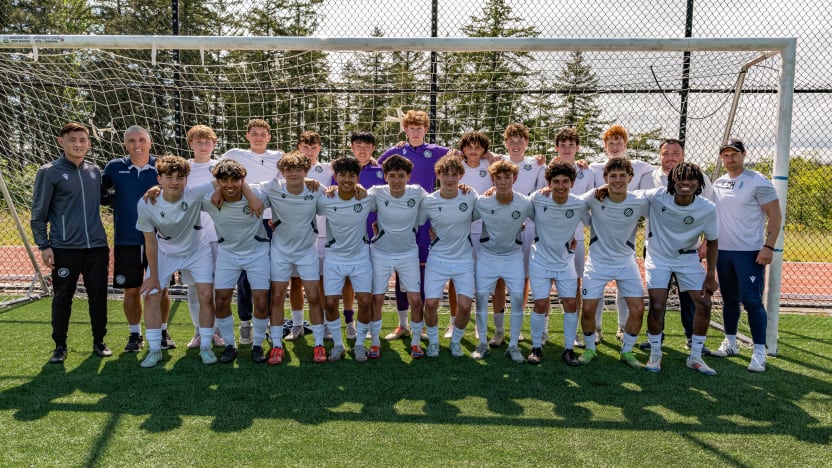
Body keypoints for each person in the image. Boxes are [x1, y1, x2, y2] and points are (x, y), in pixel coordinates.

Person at [32, 122, 111, 363]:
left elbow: (107, 199)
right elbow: (38, 213)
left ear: (88, 143)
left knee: (98, 295)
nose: (78, 144)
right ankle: (60, 345)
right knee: (62, 297)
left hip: (97, 246)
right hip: (64, 248)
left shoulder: (95, 171)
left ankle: (99, 341)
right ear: (61, 142)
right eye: (72, 140)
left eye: (82, 140)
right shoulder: (49, 171)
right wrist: (44, 245)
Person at [135, 155, 218, 367]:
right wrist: (153, 276)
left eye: (180, 177)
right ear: (159, 179)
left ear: (187, 179)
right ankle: (154, 351)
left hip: (197, 250)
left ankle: (206, 347)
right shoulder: (146, 203)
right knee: (152, 295)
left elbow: (226, 179)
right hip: (164, 251)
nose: (175, 181)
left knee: (207, 296)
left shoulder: (195, 194)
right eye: (169, 177)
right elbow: (150, 242)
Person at [710, 138, 782, 372]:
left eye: (734, 154)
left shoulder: (757, 181)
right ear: (722, 157)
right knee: (729, 300)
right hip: (723, 252)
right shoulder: (718, 182)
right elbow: (713, 217)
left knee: (751, 301)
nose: (730, 159)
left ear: (743, 155)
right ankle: (731, 342)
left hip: (749, 253)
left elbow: (775, 215)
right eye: (726, 155)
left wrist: (768, 246)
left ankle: (760, 351)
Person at [640, 162, 719, 375]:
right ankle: (655, 354)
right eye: (680, 178)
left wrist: (710, 274)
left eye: (691, 178)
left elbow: (712, 241)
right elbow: (625, 195)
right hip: (658, 257)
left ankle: (695, 356)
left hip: (688, 258)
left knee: (703, 303)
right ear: (672, 181)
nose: (686, 182)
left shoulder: (707, 208)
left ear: (699, 183)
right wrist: (602, 190)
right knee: (657, 304)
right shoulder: (656, 196)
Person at [378, 110, 451, 340]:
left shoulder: (439, 152)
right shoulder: (395, 152)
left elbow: (467, 158)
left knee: (426, 269)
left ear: (426, 129)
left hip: (428, 218)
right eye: (411, 128)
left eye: (420, 127)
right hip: (400, 219)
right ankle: (402, 324)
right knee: (401, 267)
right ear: (405, 129)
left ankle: (429, 324)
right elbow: (372, 165)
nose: (416, 131)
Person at [102, 125, 173, 353]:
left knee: (162, 289)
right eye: (132, 141)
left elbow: (177, 192)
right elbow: (102, 195)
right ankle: (135, 334)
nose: (137, 145)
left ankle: (163, 331)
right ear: (125, 144)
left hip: (160, 240)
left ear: (150, 142)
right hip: (127, 240)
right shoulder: (114, 167)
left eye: (141, 140)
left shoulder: (162, 166)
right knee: (131, 290)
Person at [578, 158, 649, 368]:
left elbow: (665, 203)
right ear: (605, 178)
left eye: (622, 176)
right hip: (597, 262)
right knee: (589, 309)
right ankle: (591, 348)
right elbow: (570, 201)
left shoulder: (640, 200)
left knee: (637, 308)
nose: (617, 180)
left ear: (630, 178)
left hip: (626, 262)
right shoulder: (594, 197)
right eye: (612, 176)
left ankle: (627, 351)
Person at [219, 118, 283, 345]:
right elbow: (217, 174)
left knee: (270, 275)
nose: (258, 137)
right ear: (247, 136)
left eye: (262, 133)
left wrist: (277, 217)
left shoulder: (279, 157)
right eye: (254, 133)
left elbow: (284, 188)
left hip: (270, 223)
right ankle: (245, 323)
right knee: (244, 275)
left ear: (269, 137)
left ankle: (265, 325)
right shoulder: (234, 154)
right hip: (242, 220)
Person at [588, 124, 654, 343]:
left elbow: (659, 169)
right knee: (594, 288)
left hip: (626, 224)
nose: (615, 147)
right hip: (601, 228)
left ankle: (622, 327)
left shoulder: (639, 166)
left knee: (624, 285)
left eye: (619, 143)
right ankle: (595, 329)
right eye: (611, 143)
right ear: (605, 145)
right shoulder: (594, 167)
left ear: (626, 145)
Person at [201, 159, 268, 364]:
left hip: (257, 252)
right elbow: (179, 193)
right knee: (220, 299)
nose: (229, 185)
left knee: (261, 300)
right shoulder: (209, 200)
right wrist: (155, 190)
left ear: (243, 180)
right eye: (224, 180)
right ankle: (230, 345)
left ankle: (257, 345)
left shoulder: (259, 195)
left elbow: (289, 186)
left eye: (235, 180)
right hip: (228, 254)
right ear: (217, 181)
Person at [261, 151, 324, 364]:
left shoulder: (316, 190)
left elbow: (337, 195)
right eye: (289, 169)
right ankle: (277, 345)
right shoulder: (273, 188)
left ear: (306, 171)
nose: (294, 174)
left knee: (314, 296)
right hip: (280, 251)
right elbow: (245, 187)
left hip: (307, 251)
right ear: (282, 171)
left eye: (298, 170)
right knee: (277, 296)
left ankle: (318, 344)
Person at [528, 162, 590, 365]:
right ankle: (536, 347)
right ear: (549, 183)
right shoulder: (538, 198)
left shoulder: (579, 203)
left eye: (565, 181)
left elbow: (593, 220)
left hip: (565, 262)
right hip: (540, 261)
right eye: (555, 182)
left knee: (571, 303)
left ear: (572, 183)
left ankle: (568, 349)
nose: (560, 186)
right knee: (540, 303)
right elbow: (517, 205)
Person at [317, 157, 377, 362]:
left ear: (358, 178)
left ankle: (360, 344)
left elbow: (390, 197)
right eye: (342, 175)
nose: (347, 179)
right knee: (331, 304)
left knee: (366, 302)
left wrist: (363, 189)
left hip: (360, 258)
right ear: (335, 177)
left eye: (352, 176)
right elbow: (304, 200)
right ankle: (338, 345)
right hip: (334, 259)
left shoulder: (366, 198)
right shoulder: (325, 198)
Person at [473, 160, 533, 362]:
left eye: (507, 177)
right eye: (498, 178)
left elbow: (545, 216)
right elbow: (460, 215)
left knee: (517, 298)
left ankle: (514, 345)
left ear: (514, 179)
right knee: (481, 297)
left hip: (513, 256)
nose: (503, 182)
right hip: (487, 256)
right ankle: (483, 343)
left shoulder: (525, 203)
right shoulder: (482, 202)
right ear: (492, 180)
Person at [419, 155, 479, 358]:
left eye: (455, 174)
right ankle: (434, 343)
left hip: (463, 260)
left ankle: (455, 342)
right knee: (431, 304)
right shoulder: (429, 201)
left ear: (461, 176)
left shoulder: (470, 196)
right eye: (446, 174)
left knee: (464, 306)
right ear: (438, 175)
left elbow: (489, 208)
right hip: (437, 260)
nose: (450, 178)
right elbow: (416, 223)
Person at [368, 155, 428, 358]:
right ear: (385, 176)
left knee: (416, 299)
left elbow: (440, 201)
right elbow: (355, 197)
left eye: (401, 176)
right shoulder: (376, 192)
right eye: (391, 175)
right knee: (376, 298)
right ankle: (375, 343)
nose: (396, 180)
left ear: (408, 176)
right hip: (381, 254)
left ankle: (416, 342)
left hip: (408, 254)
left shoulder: (418, 192)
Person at [285, 130, 331, 341]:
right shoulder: (289, 170)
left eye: (314, 148)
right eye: (305, 147)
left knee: (321, 281)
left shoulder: (329, 168)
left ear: (319, 148)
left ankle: (325, 324)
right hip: (298, 235)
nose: (310, 152)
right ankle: (296, 325)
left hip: (323, 234)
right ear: (298, 148)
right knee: (296, 282)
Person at [448, 131, 494, 339]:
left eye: (478, 147)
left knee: (482, 277)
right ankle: (453, 322)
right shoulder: (456, 167)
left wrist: (493, 157)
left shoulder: (491, 166)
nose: (473, 151)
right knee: (455, 276)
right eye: (469, 147)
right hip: (460, 229)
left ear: (484, 150)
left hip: (485, 229)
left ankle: (480, 323)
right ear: (463, 149)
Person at [183, 125, 225, 350]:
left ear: (214, 144)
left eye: (208, 141)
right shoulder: (183, 168)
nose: (203, 145)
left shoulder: (221, 168)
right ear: (191, 144)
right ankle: (199, 331)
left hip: (217, 236)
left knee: (217, 286)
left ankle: (216, 331)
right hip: (190, 238)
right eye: (199, 141)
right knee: (194, 287)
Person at [552, 128, 594, 349]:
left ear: (577, 147)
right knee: (546, 283)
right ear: (557, 147)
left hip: (575, 235)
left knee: (574, 284)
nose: (567, 148)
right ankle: (543, 331)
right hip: (549, 236)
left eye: (571, 145)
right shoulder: (546, 169)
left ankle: (574, 330)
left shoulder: (587, 171)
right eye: (563, 145)